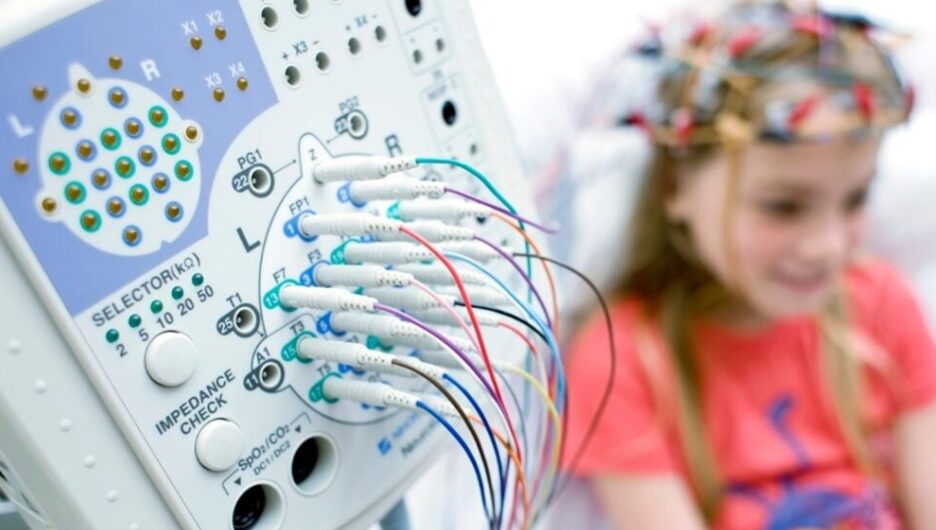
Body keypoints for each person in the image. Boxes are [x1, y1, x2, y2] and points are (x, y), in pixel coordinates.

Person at [563, 2, 936, 528]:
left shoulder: (881, 303)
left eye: (854, 200)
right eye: (783, 206)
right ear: (675, 187)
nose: (827, 246)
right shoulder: (624, 361)